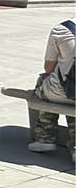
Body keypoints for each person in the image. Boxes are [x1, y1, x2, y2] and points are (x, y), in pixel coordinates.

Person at [27, 20, 75, 162]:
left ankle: (45, 138)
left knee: (44, 82)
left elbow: (48, 68)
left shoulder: (61, 30)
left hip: (58, 92)